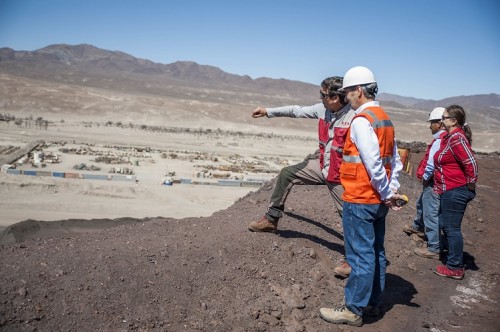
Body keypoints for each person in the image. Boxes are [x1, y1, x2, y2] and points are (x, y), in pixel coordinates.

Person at [319, 66, 405, 327]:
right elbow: (395, 161)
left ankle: (353, 309)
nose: (345, 97)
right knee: (376, 251)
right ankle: (372, 303)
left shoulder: (361, 120)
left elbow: (373, 163)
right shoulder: (384, 118)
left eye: (347, 92)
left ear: (358, 90)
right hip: (378, 200)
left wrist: (387, 192)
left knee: (359, 256)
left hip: (361, 198)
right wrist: (390, 192)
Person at [247, 76, 355, 277]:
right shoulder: (323, 110)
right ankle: (271, 220)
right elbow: (296, 111)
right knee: (287, 174)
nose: (320, 97)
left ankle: (354, 260)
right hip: (323, 166)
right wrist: (268, 112)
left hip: (342, 177)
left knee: (349, 215)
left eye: (323, 94)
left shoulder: (355, 117)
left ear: (334, 97)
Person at [433, 105, 478, 280]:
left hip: (456, 190)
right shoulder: (450, 137)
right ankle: (454, 260)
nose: (441, 121)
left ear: (453, 120)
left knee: (452, 228)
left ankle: (455, 266)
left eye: (444, 118)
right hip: (450, 189)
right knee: (448, 226)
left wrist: (470, 186)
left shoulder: (457, 138)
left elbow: (471, 163)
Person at [403, 107, 446, 259]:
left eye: (432, 123)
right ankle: (418, 227)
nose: (430, 126)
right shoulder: (445, 139)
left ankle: (434, 248)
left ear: (440, 124)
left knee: (431, 213)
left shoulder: (440, 141)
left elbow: (432, 163)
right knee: (422, 204)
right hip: (436, 182)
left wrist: (426, 177)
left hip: (433, 182)